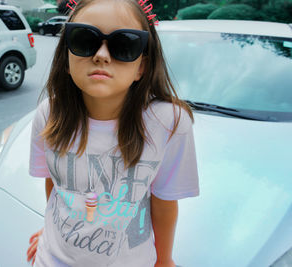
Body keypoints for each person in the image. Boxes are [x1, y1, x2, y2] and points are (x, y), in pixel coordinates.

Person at [27, 0, 200, 266]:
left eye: (124, 45)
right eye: (84, 39)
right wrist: (51, 231)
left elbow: (165, 201)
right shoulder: (49, 114)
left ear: (142, 66)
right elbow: (55, 183)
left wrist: (164, 260)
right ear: (66, 57)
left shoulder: (168, 123)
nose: (102, 55)